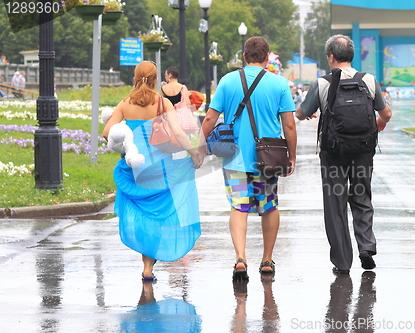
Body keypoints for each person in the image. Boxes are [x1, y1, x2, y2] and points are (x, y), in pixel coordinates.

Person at [198, 36, 297, 281]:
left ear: (244, 56)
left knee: (239, 207)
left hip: (235, 158)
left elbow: (210, 119)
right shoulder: (279, 84)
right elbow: (290, 125)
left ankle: (240, 258)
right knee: (269, 205)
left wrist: (199, 147)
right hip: (269, 158)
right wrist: (291, 157)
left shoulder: (227, 81)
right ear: (267, 58)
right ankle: (266, 259)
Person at [296, 34, 392, 274]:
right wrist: (378, 122)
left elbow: (301, 112)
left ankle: (342, 261)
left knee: (335, 203)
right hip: (362, 151)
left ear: (331, 56)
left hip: (334, 153)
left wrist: (304, 113)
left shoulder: (323, 83)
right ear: (351, 56)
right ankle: (366, 248)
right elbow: (387, 113)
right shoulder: (368, 80)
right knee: (361, 196)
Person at [102, 61, 203, 282]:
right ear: (157, 80)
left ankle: (146, 263)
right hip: (159, 166)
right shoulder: (162, 103)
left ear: (134, 79)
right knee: (157, 215)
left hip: (134, 168)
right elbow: (177, 132)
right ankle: (148, 266)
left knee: (142, 214)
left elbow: (107, 132)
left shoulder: (125, 104)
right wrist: (193, 153)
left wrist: (126, 139)